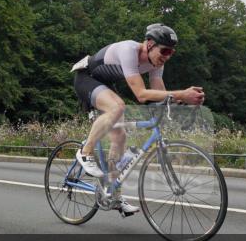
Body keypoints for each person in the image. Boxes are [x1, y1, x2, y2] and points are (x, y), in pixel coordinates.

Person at [71, 24, 205, 216]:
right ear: (149, 44)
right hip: (86, 78)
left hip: (105, 84)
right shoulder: (129, 50)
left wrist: (180, 101)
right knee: (118, 107)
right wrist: (182, 94)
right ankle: (85, 152)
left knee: (120, 137)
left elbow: (158, 95)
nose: (167, 56)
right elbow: (141, 95)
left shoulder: (157, 63)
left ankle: (112, 192)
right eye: (164, 50)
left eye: (171, 53)